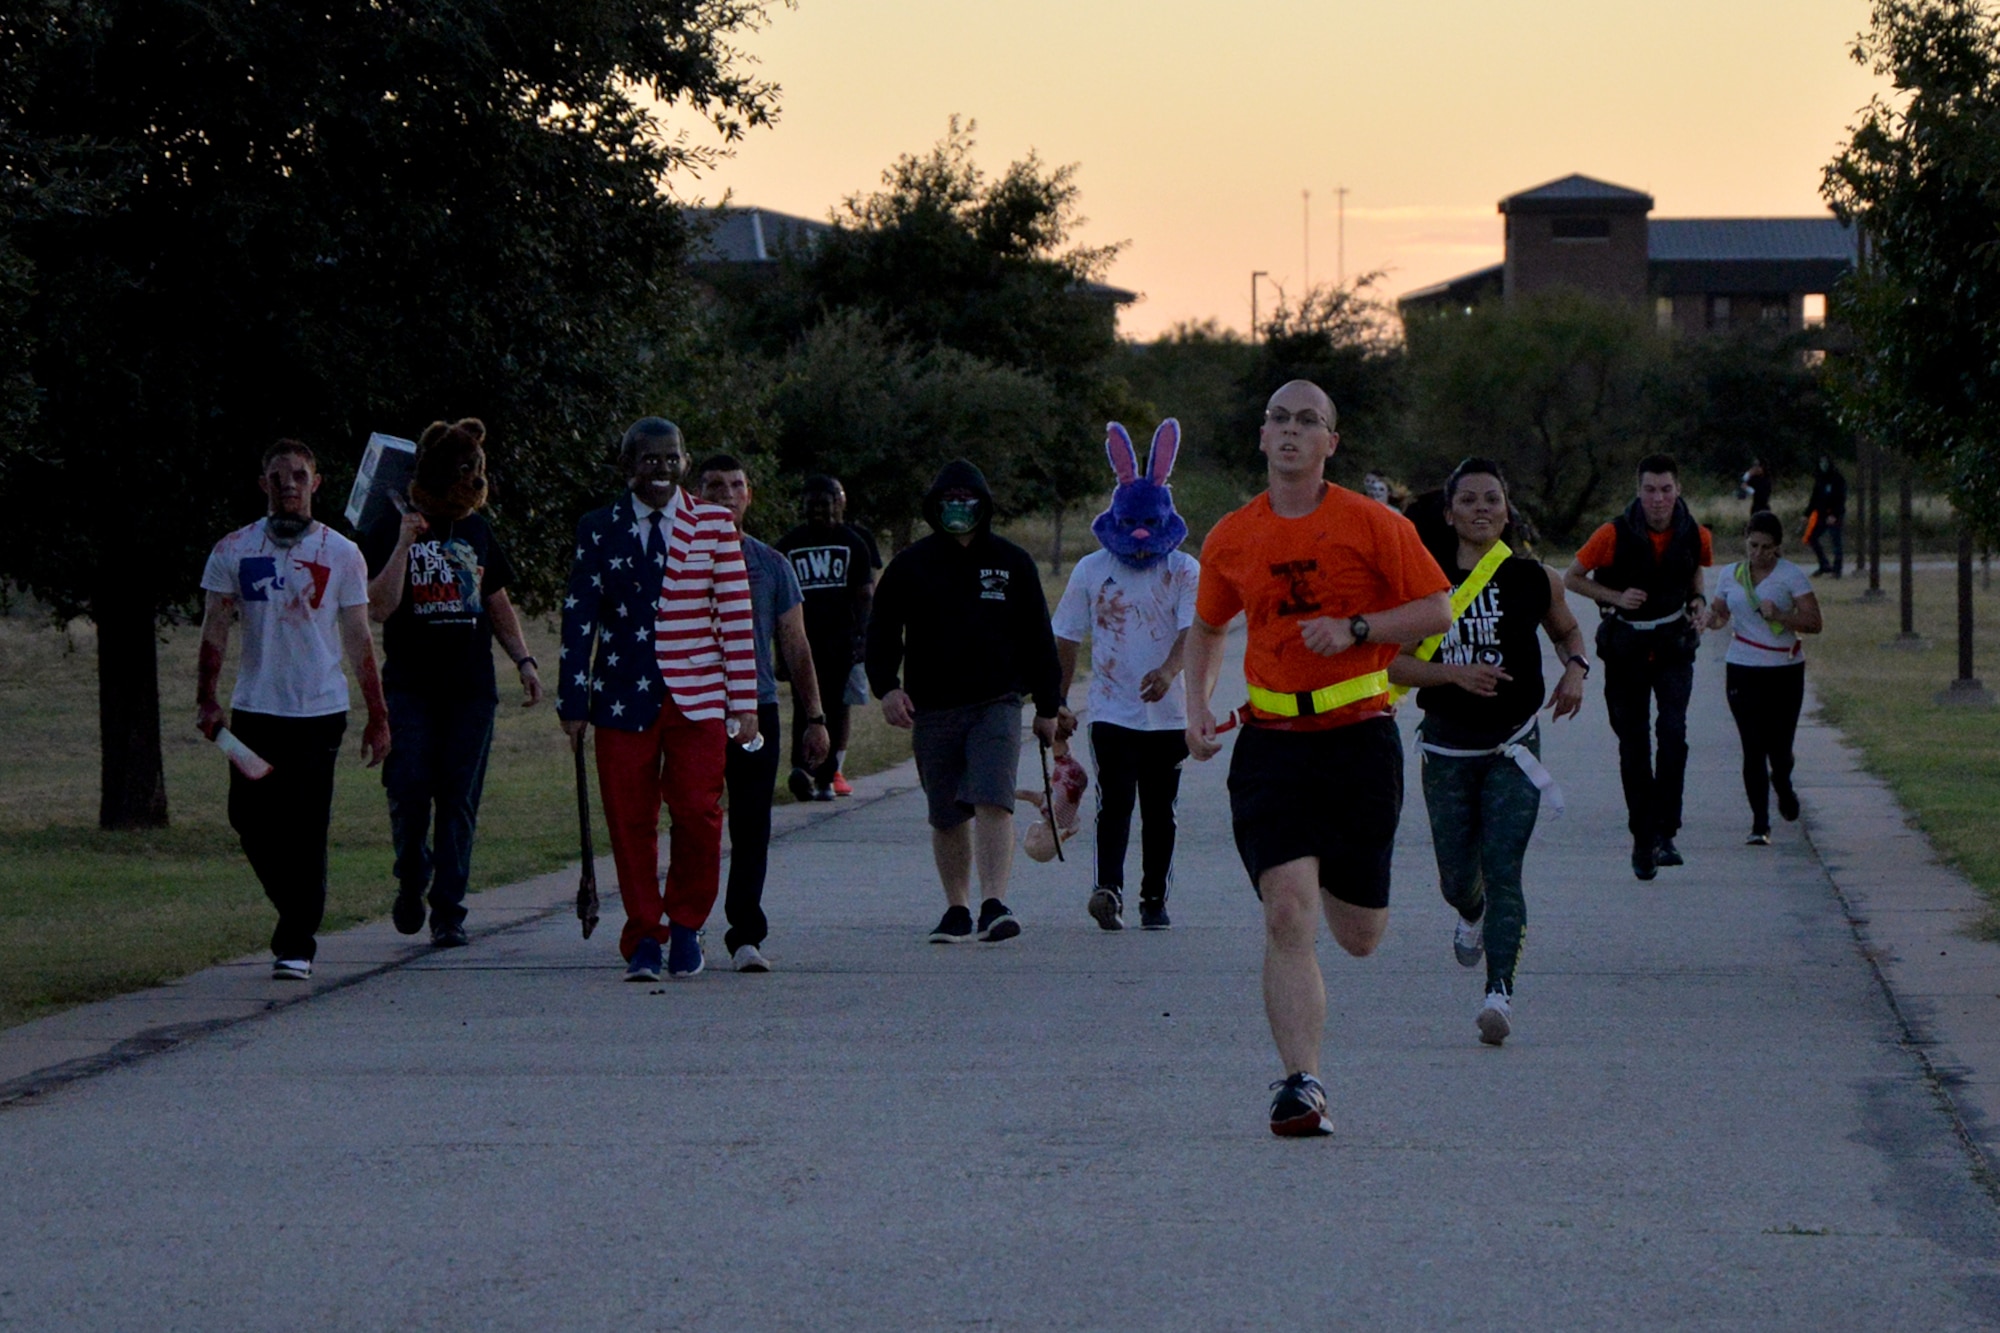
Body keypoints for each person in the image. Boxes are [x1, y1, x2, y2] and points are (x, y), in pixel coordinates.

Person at [1184, 380, 1451, 1137]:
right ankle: (1301, 1084)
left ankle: (1338, 877)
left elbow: (1438, 608)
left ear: (1332, 442)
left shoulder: (1374, 524)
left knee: (1359, 935)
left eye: (1310, 421)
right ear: (1262, 438)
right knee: (1286, 910)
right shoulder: (1233, 535)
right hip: (1271, 745)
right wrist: (1198, 708)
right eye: (1280, 419)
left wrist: (1358, 625)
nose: (1292, 431)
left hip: (1360, 740)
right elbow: (1206, 630)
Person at [1386, 459, 1588, 1047]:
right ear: (1449, 514)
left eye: (1492, 500)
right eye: (1469, 500)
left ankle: (1499, 993)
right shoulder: (1422, 583)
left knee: (1504, 870)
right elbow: (1391, 663)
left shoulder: (1535, 578)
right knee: (1457, 879)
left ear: (1507, 509)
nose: (1481, 509)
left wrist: (1575, 670)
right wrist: (1452, 676)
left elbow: (1569, 632)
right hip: (1447, 749)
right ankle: (1469, 915)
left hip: (1513, 746)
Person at [557, 418, 756, 983]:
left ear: (686, 464)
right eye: (649, 460)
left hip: (699, 696)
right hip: (621, 695)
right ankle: (645, 933)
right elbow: (579, 617)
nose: (661, 470)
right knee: (629, 819)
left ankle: (688, 925)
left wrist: (743, 702)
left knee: (697, 812)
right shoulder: (599, 528)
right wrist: (572, 700)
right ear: (627, 468)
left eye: (671, 459)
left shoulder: (714, 524)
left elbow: (736, 619)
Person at [196, 440, 391, 981]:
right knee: (250, 818)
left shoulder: (342, 553)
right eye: (278, 476)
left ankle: (296, 942)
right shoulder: (234, 550)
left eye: (299, 476)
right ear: (263, 484)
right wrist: (206, 696)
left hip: (319, 712)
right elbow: (215, 625)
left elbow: (358, 638)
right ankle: (295, 909)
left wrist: (378, 714)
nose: (289, 485)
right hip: (256, 710)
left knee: (306, 826)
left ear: (316, 484)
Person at [362, 418, 543, 949]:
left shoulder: (477, 532)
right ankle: (412, 875)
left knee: (460, 798)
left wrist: (524, 660)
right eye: (463, 471)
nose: (473, 480)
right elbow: (378, 607)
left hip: (470, 689)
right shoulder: (384, 527)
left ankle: (449, 911)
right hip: (410, 687)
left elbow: (496, 601)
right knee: (409, 786)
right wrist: (401, 544)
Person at [866, 459, 1062, 944]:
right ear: (935, 506)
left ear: (985, 505)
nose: (958, 508)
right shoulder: (911, 565)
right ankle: (957, 907)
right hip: (932, 707)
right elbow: (881, 633)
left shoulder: (1011, 562)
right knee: (948, 812)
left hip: (997, 700)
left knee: (993, 797)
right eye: (948, 499)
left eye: (967, 499)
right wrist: (887, 687)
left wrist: (1048, 707)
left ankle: (994, 902)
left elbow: (1038, 636)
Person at [1051, 419, 1200, 932]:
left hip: (1168, 715)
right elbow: (1067, 636)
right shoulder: (1091, 570)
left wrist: (1168, 670)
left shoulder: (1183, 570)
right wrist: (1058, 701)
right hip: (1112, 710)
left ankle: (1153, 898)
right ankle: (1107, 890)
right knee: (1114, 802)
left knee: (1160, 810)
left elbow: (1192, 631)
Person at [696, 454, 828, 972]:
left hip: (757, 708)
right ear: (695, 494)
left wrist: (814, 718)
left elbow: (795, 646)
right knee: (695, 819)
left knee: (752, 823)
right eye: (713, 486)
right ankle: (686, 926)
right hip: (695, 709)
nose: (725, 495)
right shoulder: (681, 560)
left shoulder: (771, 564)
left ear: (749, 495)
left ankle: (746, 932)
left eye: (735, 485)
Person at [1564, 455, 1714, 881]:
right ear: (1638, 490)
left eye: (1666, 489)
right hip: (1627, 646)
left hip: (1673, 644)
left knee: (1673, 732)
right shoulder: (1613, 533)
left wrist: (1698, 604)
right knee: (1633, 745)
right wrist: (1614, 596)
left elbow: (1695, 577)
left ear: (1678, 490)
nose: (1659, 498)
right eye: (1650, 489)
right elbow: (1572, 577)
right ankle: (1642, 837)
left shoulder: (1695, 534)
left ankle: (1666, 832)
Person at [1706, 511, 1822, 844]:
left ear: (1778, 548)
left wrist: (1782, 616)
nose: (1758, 553)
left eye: (1766, 548)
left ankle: (1783, 785)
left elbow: (1814, 623)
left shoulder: (1791, 577)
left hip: (1783, 671)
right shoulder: (1732, 574)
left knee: (1780, 748)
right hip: (1742, 667)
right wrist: (1707, 619)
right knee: (1752, 746)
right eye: (1753, 545)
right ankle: (1760, 824)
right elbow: (1720, 614)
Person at [774, 475, 874, 802]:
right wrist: (779, 652)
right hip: (801, 638)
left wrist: (863, 637)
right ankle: (802, 769)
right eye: (814, 504)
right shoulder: (788, 545)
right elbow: (775, 604)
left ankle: (827, 774)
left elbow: (863, 595)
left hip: (841, 641)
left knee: (833, 703)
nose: (820, 511)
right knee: (804, 705)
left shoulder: (853, 542)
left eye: (826, 504)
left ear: (839, 505)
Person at [1806, 455, 1847, 578]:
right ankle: (1824, 565)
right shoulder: (1820, 479)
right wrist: (1806, 514)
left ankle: (1837, 569)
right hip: (1821, 515)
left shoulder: (1837, 479)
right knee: (1812, 538)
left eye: (1825, 462)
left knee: (1836, 542)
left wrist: (1834, 514)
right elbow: (1814, 498)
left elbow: (1841, 498)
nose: (1823, 465)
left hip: (1834, 515)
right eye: (1821, 462)